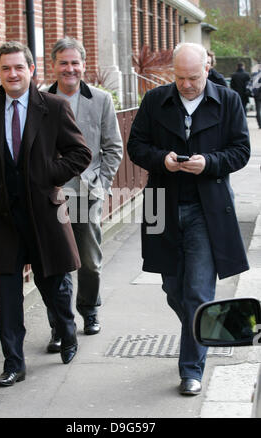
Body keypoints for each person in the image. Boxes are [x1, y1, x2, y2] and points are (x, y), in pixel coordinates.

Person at [127, 42, 250, 396]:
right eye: (179, 77)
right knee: (171, 288)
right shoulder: (155, 101)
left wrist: (208, 163)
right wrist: (162, 159)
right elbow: (136, 146)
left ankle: (191, 369)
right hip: (161, 204)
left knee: (197, 291)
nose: (186, 84)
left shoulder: (228, 100)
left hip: (207, 210)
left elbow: (241, 151)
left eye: (193, 77)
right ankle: (207, 330)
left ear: (207, 70)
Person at [0, 41, 91, 387]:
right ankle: (13, 364)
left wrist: (48, 175)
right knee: (8, 295)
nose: (12, 74)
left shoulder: (53, 107)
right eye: (6, 68)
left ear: (32, 70)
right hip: (4, 218)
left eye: (19, 67)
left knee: (54, 286)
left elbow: (80, 153)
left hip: (45, 216)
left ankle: (67, 332)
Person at [45, 37, 123, 352]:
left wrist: (100, 183)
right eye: (63, 62)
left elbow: (113, 148)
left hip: (87, 193)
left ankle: (89, 310)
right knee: (54, 263)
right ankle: (59, 326)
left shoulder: (101, 99)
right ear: (53, 65)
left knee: (89, 261)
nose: (70, 68)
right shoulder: (39, 100)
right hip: (50, 194)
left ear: (84, 65)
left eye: (75, 62)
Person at [247, 64, 261, 129]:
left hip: (257, 95)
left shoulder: (255, 75)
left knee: (258, 110)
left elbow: (250, 85)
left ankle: (260, 124)